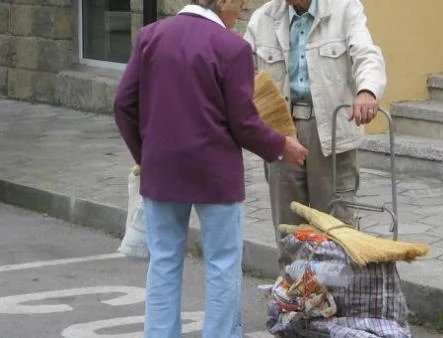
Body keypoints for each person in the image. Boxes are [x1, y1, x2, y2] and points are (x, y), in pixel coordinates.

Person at [113, 0, 309, 337]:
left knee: (163, 262)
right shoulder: (232, 48)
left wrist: (145, 157)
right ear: (223, 3)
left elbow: (123, 104)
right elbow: (244, 124)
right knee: (222, 266)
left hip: (162, 172)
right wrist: (281, 145)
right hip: (215, 176)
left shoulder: (150, 36)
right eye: (239, 7)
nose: (240, 15)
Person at [244, 0, 387, 251]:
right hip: (281, 131)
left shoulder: (344, 9)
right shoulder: (263, 18)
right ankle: (294, 287)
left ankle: (335, 290)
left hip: (331, 130)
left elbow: (367, 55)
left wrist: (367, 91)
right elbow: (240, 71)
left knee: (336, 231)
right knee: (289, 233)